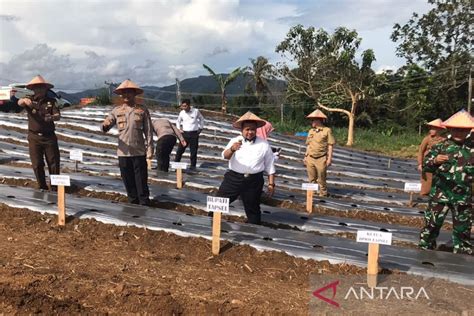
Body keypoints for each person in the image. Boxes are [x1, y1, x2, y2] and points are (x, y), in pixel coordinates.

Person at [419, 109, 473, 254]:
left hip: (462, 198)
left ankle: (461, 257)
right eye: (456, 130)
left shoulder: (472, 149)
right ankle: (425, 253)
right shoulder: (440, 146)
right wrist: (435, 160)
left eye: (463, 130)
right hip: (440, 195)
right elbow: (425, 165)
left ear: (469, 131)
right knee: (431, 225)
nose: (459, 133)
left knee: (463, 230)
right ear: (449, 129)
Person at [216, 111, 276, 225]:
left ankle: (253, 230)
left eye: (252, 129)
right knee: (220, 201)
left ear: (256, 130)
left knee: (252, 207)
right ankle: (213, 225)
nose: (250, 132)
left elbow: (270, 165)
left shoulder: (263, 144)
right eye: (247, 129)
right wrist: (232, 149)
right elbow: (225, 156)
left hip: (254, 180)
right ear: (241, 130)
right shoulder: (235, 141)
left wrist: (271, 184)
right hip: (233, 178)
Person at [101, 79, 153, 206]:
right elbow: (108, 122)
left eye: (128, 92)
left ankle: (144, 202)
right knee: (127, 178)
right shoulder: (116, 110)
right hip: (123, 152)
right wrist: (105, 125)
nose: (125, 95)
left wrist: (150, 148)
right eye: (123, 93)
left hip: (138, 150)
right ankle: (132, 201)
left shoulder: (142, 110)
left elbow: (148, 130)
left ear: (134, 94)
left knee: (141, 178)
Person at [17, 75, 60, 191]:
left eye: (42, 88)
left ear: (46, 89)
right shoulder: (29, 100)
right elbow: (19, 102)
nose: (39, 90)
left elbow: (57, 116)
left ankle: (55, 187)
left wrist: (51, 117)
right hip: (34, 137)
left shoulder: (51, 101)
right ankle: (42, 186)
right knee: (37, 163)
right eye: (37, 88)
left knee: (53, 162)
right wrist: (24, 101)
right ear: (33, 89)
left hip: (49, 137)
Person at [303, 109, 335, 197]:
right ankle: (312, 193)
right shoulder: (311, 131)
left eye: (313, 120)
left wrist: (329, 159)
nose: (311, 122)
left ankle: (323, 193)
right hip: (310, 157)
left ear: (318, 120)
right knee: (311, 177)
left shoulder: (327, 130)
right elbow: (309, 145)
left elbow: (330, 145)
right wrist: (306, 156)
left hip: (321, 158)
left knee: (321, 178)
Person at [417, 119, 446, 195]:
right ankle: (424, 195)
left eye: (434, 128)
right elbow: (421, 151)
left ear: (439, 129)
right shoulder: (427, 139)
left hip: (439, 163)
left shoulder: (444, 139)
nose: (431, 130)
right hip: (428, 163)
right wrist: (420, 163)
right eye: (431, 128)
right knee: (427, 180)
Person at [174, 99, 204, 170]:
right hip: (185, 134)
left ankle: (193, 166)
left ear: (189, 105)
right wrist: (179, 129)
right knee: (180, 150)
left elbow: (201, 119)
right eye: (182, 106)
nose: (184, 108)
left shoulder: (195, 111)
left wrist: (200, 128)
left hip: (194, 134)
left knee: (193, 151)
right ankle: (176, 165)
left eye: (185, 106)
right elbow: (178, 121)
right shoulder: (182, 113)